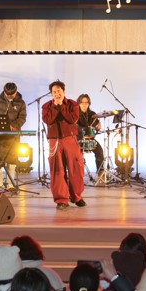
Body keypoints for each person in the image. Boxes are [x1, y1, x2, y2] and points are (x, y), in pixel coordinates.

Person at [42, 80, 85, 210]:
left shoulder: (73, 104)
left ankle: (76, 197)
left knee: (76, 168)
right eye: (54, 92)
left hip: (70, 139)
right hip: (54, 140)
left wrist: (61, 106)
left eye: (59, 91)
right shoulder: (46, 106)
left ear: (64, 91)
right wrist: (56, 107)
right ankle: (62, 200)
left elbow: (72, 119)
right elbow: (48, 120)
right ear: (51, 94)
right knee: (57, 170)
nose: (57, 94)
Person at [0, 82, 27, 191]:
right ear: (4, 92)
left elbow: (22, 118)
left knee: (12, 159)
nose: (9, 97)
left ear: (16, 92)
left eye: (11, 95)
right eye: (7, 94)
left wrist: (13, 125)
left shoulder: (21, 102)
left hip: (13, 136)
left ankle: (10, 183)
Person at [76, 94, 104, 174]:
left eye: (86, 103)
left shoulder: (92, 114)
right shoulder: (75, 114)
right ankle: (76, 174)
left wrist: (98, 126)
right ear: (79, 103)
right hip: (78, 139)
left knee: (99, 151)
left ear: (89, 103)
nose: (84, 105)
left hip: (89, 139)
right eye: (82, 103)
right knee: (75, 155)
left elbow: (96, 125)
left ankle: (100, 172)